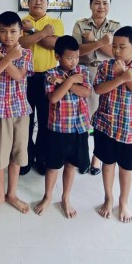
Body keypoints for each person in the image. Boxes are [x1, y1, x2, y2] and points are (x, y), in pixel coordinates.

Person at [92, 26, 132, 223]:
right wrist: (122, 77)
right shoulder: (105, 66)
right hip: (106, 125)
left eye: (122, 47)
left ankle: (123, 202)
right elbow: (98, 89)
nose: (117, 51)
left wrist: (127, 77)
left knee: (127, 167)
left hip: (130, 129)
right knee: (107, 163)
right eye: (114, 46)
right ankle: (108, 198)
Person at [34, 36, 91, 218]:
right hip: (58, 128)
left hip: (79, 127)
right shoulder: (50, 74)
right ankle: (47, 196)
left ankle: (65, 198)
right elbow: (54, 98)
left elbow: (86, 92)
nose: (74, 61)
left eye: (77, 57)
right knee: (53, 166)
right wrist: (71, 80)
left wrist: (64, 82)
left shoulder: (83, 70)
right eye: (69, 58)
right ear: (57, 56)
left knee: (71, 165)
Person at [0, 11, 34, 215]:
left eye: (13, 31)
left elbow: (19, 76)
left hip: (20, 110)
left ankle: (11, 194)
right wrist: (2, 56)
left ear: (21, 32)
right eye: (3, 31)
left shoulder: (26, 53)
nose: (8, 36)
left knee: (17, 154)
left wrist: (1, 57)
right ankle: (0, 195)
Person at [72, 0, 120, 176]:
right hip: (85, 72)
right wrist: (100, 43)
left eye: (105, 3)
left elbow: (116, 52)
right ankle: (82, 157)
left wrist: (94, 42)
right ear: (90, 5)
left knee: (104, 118)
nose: (101, 6)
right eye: (97, 3)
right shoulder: (81, 24)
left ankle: (97, 159)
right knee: (84, 118)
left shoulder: (116, 26)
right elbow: (77, 51)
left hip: (109, 73)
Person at [20, 0, 64, 175]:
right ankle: (25, 158)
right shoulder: (21, 22)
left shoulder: (56, 22)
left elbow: (53, 44)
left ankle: (42, 158)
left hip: (49, 78)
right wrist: (43, 32)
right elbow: (21, 43)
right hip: (25, 78)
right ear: (27, 2)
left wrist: (33, 32)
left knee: (47, 121)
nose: (38, 2)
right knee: (25, 121)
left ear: (48, 3)